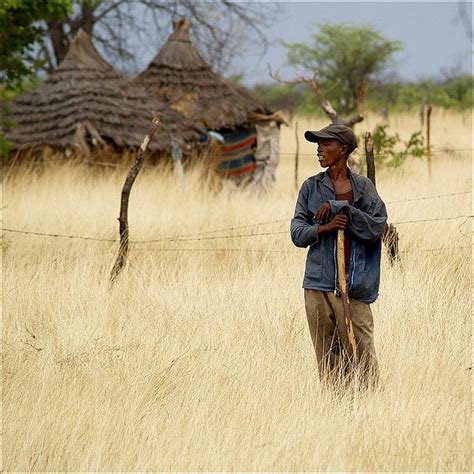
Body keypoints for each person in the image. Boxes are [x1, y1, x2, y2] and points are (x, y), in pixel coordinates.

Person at [290, 123, 387, 389]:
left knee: (363, 354)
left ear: (342, 149)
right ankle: (336, 411)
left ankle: (370, 411)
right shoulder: (310, 187)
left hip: (354, 285)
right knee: (328, 358)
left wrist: (343, 209)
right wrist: (324, 228)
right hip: (317, 285)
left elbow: (377, 225)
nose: (319, 149)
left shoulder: (363, 188)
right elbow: (297, 233)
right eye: (317, 144)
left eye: (325, 144)